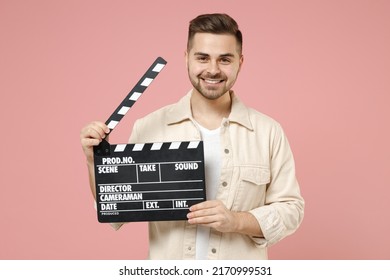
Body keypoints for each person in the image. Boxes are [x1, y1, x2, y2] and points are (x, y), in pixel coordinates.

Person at [80, 13, 304, 259]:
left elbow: (291, 210)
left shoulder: (268, 132)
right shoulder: (150, 127)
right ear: (187, 58)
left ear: (240, 62)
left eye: (225, 59)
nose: (213, 69)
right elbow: (115, 206)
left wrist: (236, 221)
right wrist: (94, 162)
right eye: (203, 57)